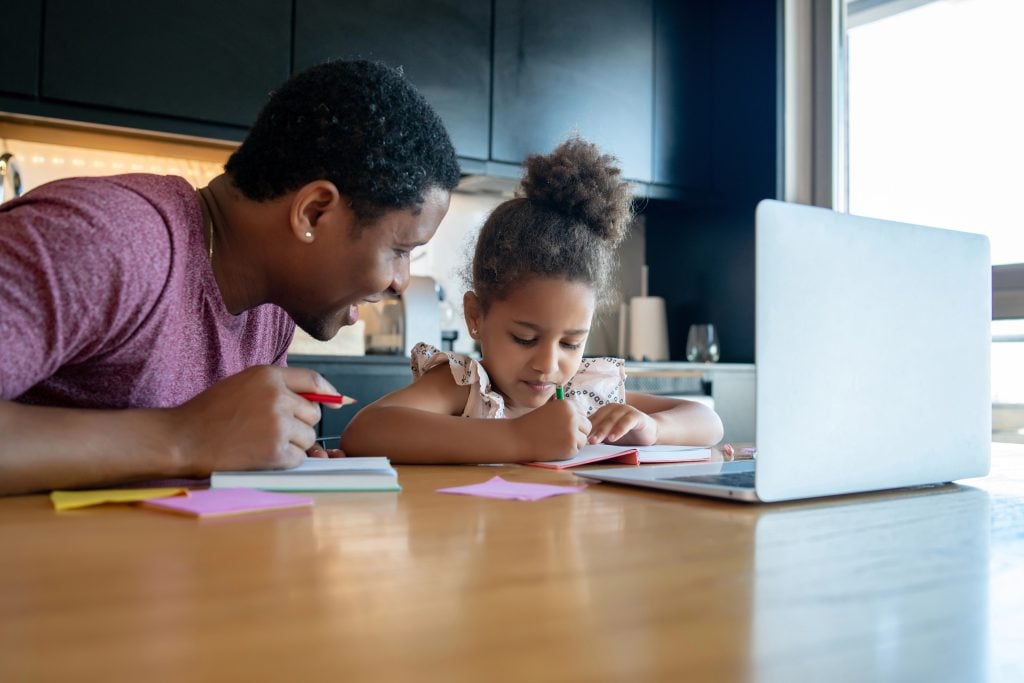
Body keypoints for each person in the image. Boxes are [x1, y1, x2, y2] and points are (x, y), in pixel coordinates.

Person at [0, 60, 460, 495]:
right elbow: (193, 444)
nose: (402, 282)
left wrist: (279, 453)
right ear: (314, 212)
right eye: (401, 251)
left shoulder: (274, 306)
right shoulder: (107, 239)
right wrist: (184, 437)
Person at [341, 138, 723, 464]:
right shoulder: (466, 387)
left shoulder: (586, 393)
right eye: (525, 338)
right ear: (476, 316)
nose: (548, 364)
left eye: (572, 342)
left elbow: (708, 423)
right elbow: (365, 431)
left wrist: (653, 428)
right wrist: (518, 439)